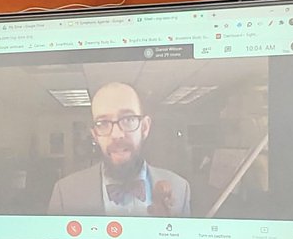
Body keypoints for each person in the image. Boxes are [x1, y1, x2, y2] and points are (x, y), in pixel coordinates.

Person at [48, 82, 191, 216]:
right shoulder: (65, 193)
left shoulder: (180, 188)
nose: (116, 135)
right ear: (95, 135)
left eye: (128, 119)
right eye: (103, 123)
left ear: (145, 127)